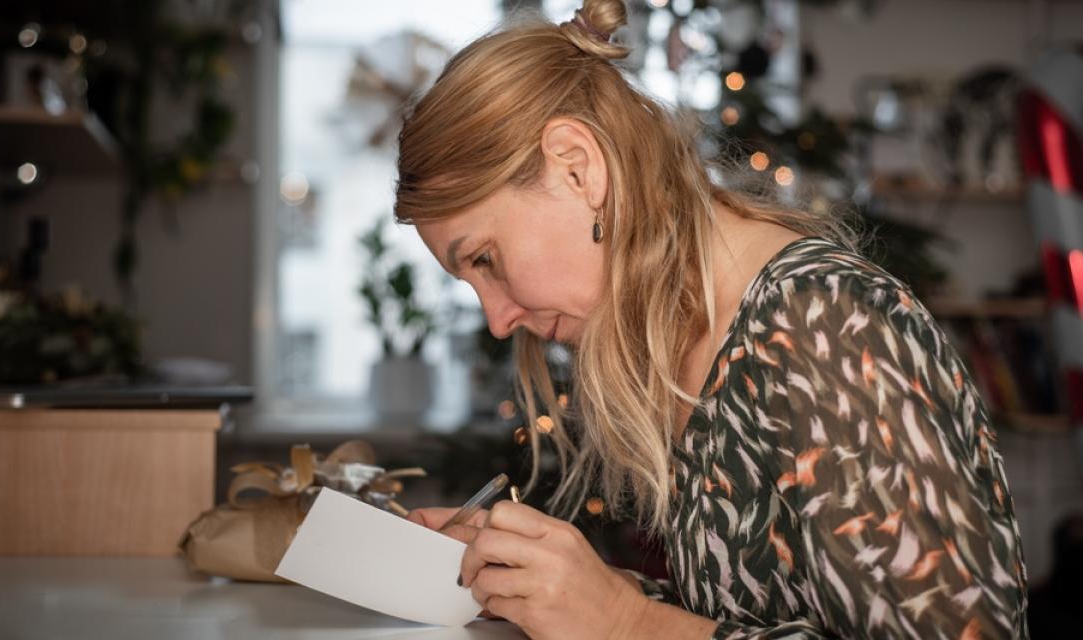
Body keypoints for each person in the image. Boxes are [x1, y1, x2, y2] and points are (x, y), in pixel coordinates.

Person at [399, 1, 1029, 638]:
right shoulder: (698, 339)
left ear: (577, 167)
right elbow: (760, 613)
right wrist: (565, 590)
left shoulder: (823, 324)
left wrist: (625, 622)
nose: (498, 320)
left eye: (486, 259)